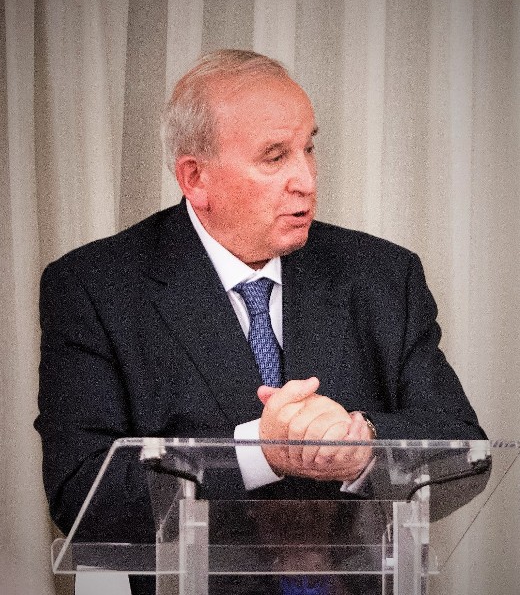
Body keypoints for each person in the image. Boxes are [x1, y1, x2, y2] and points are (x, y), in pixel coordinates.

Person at [35, 49, 485, 594]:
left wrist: (364, 446)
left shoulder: (383, 275)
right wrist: (258, 450)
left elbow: (464, 448)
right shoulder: (95, 286)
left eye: (309, 148)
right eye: (275, 157)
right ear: (196, 178)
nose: (306, 179)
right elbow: (81, 495)